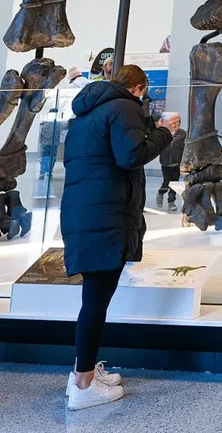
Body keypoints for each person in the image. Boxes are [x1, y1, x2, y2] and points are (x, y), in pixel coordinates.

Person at [59, 64, 172, 410]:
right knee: (95, 302)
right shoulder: (124, 107)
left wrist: (148, 128)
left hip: (86, 211)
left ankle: (84, 371)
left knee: (94, 298)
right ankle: (83, 384)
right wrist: (165, 132)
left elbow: (108, 152)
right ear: (138, 88)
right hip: (105, 216)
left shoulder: (86, 114)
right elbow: (130, 155)